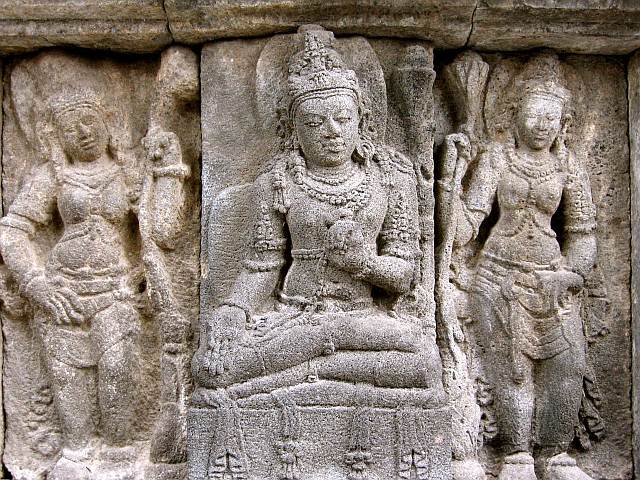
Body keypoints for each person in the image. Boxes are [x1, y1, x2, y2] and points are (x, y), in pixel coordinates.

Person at [192, 29, 444, 402]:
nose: (332, 132)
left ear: (362, 119)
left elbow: (404, 274)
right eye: (314, 122)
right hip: (297, 316)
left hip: (361, 318)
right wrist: (234, 310)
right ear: (293, 130)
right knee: (211, 368)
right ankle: (324, 371)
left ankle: (302, 375)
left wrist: (364, 264)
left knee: (424, 364)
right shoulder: (279, 180)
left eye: (343, 118)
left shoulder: (391, 176)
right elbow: (262, 266)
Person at [0, 90, 189, 475]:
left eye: (91, 121)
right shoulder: (53, 176)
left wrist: (169, 169)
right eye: (71, 129)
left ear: (109, 123)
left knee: (117, 379)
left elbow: (166, 232)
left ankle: (120, 456)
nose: (84, 132)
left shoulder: (131, 171)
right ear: (57, 138)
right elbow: (12, 231)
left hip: (116, 292)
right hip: (62, 294)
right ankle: (75, 455)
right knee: (72, 415)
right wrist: (36, 284)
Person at [444, 54, 596, 480]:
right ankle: (515, 456)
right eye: (534, 112)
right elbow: (468, 225)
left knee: (568, 366)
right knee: (512, 371)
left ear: (564, 120)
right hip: (498, 276)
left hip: (551, 279)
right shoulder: (496, 158)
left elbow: (583, 236)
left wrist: (569, 273)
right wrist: (449, 182)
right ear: (516, 115)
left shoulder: (569, 167)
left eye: (552, 115)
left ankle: (556, 455)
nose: (542, 123)